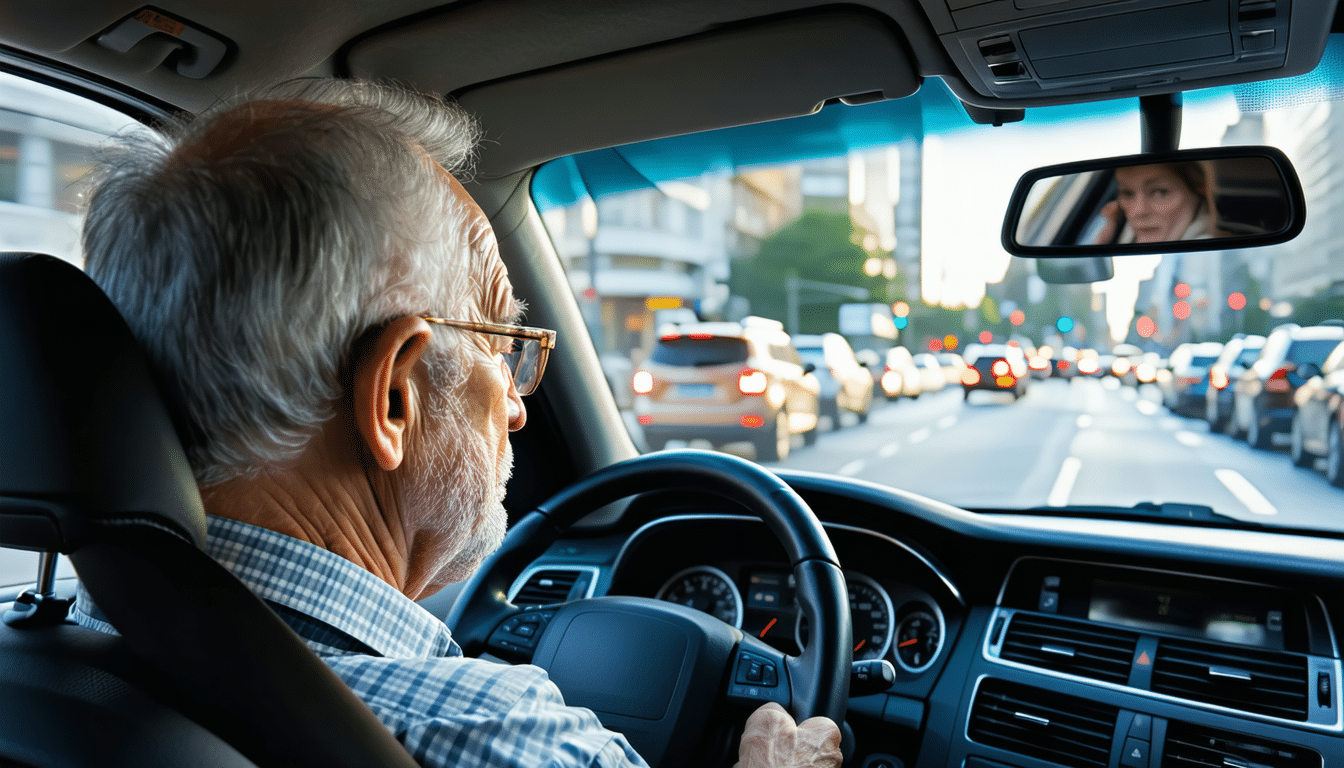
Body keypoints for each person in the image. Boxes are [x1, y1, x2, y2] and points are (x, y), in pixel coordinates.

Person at [69, 79, 842, 768]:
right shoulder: (506, 738)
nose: (516, 405)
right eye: (501, 346)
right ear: (394, 399)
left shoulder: (41, 646)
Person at [1094, 161, 1218, 244]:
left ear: (1199, 192)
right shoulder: (1123, 232)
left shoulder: (1210, 252)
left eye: (1160, 192)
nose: (1138, 211)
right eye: (1127, 193)